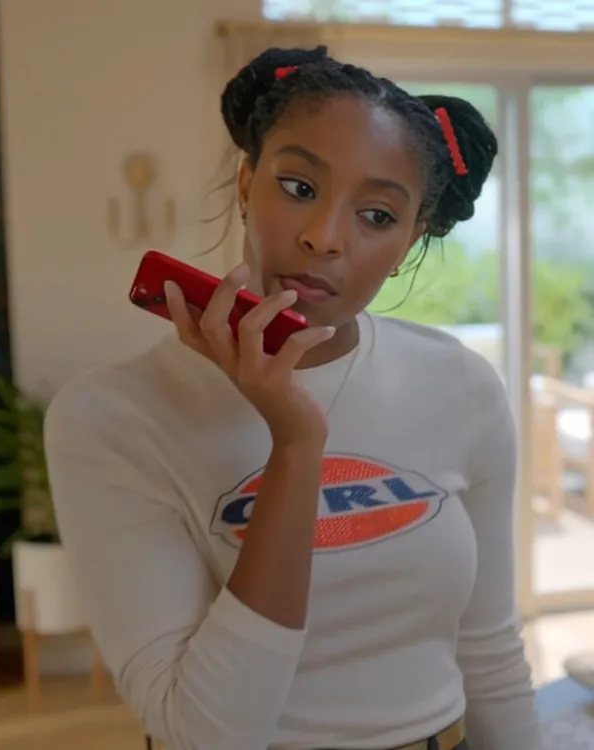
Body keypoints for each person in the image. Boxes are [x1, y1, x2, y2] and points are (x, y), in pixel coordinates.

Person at [45, 46, 542, 750]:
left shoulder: (460, 386)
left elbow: (489, 657)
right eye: (299, 187)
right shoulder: (111, 417)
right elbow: (205, 734)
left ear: (409, 241)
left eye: (377, 215)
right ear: (247, 185)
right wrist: (295, 446)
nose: (323, 237)